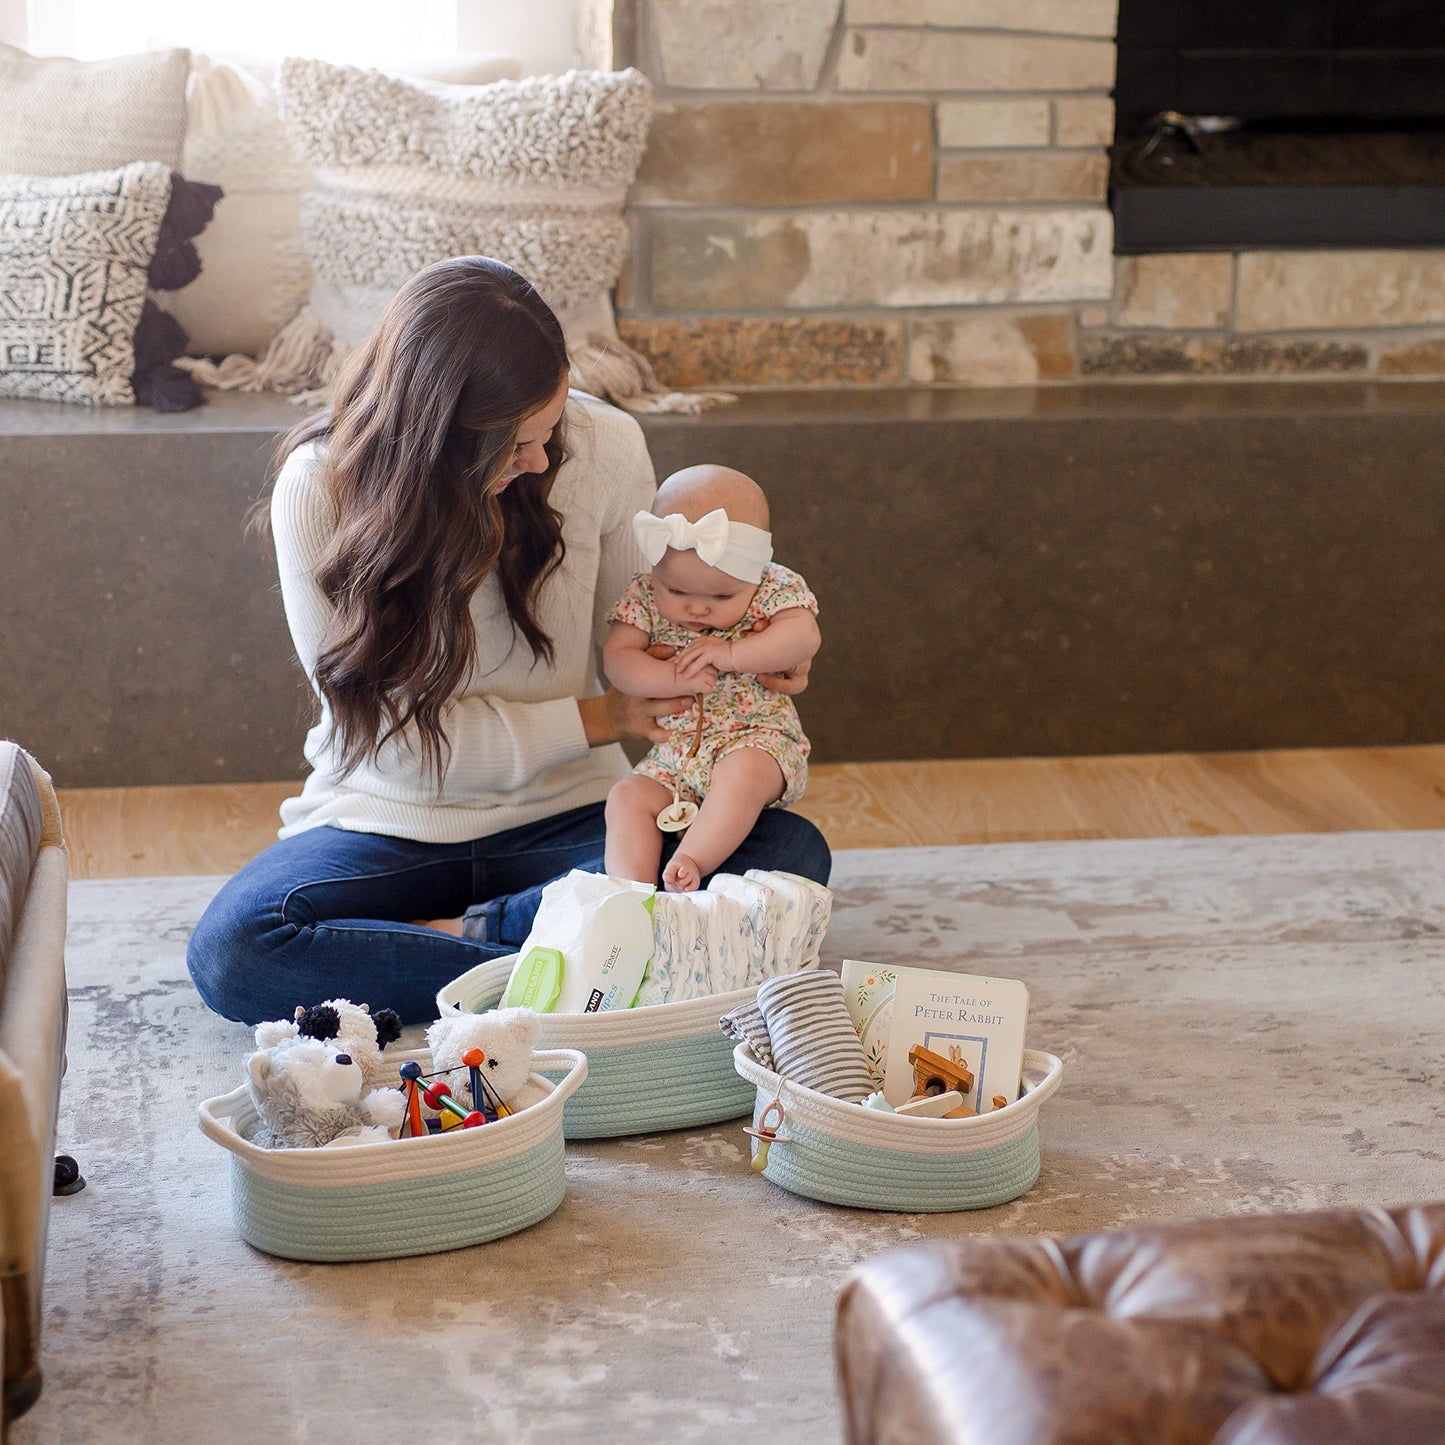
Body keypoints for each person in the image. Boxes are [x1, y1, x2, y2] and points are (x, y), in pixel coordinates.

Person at [184, 257, 830, 1026]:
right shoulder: (319, 489)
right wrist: (602, 719)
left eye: (550, 427)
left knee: (789, 853)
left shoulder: (604, 446)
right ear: (439, 436)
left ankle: (488, 942)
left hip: (569, 817)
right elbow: (393, 747)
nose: (541, 459)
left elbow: (654, 638)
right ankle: (600, 960)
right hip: (388, 823)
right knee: (237, 951)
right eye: (517, 443)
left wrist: (753, 643)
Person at [603, 465, 821, 892]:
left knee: (743, 775)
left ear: (757, 572)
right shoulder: (644, 593)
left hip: (756, 739)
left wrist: (732, 652)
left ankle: (692, 861)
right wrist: (669, 678)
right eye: (678, 593)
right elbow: (618, 658)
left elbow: (803, 634)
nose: (697, 610)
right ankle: (630, 897)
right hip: (675, 757)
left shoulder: (773, 586)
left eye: (721, 597)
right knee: (627, 797)